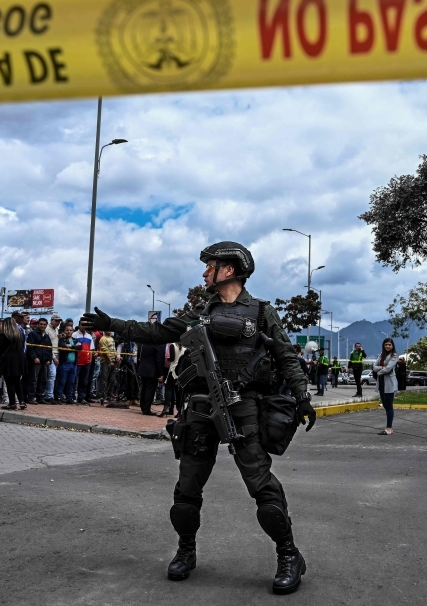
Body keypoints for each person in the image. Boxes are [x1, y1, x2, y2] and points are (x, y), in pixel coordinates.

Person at [82, 241, 316, 595]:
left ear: (229, 270)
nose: (205, 271)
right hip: (201, 407)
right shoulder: (200, 312)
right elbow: (157, 333)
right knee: (187, 487)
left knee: (261, 485)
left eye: (211, 266)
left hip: (244, 407)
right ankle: (186, 551)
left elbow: (285, 356)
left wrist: (302, 397)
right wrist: (112, 324)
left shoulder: (262, 313)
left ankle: (289, 555)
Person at [0, 312, 27, 410]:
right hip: (20, 359)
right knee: (17, 381)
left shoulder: (4, 335)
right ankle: (22, 401)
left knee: (9, 382)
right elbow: (22, 346)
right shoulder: (20, 334)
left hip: (8, 360)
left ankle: (12, 403)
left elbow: (0, 348)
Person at [374, 338, 398, 435]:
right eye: (386, 344)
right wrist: (382, 368)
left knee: (389, 406)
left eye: (389, 345)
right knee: (385, 405)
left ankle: (389, 428)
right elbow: (374, 366)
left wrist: (379, 371)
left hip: (389, 383)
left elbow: (388, 369)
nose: (387, 346)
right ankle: (389, 428)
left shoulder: (394, 355)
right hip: (381, 383)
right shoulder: (381, 355)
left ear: (392, 346)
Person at [26, 317, 52, 404]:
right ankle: (31, 397)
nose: (42, 326)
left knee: (43, 380)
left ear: (46, 325)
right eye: (41, 324)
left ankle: (40, 397)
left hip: (44, 361)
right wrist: (34, 358)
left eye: (44, 324)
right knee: (33, 380)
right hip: (35, 361)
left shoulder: (47, 336)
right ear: (38, 324)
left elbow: (49, 349)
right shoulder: (32, 334)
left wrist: (49, 359)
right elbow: (30, 348)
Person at [137, 341, 166, 415]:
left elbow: (138, 356)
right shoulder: (158, 343)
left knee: (144, 388)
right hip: (152, 369)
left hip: (143, 367)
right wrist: (161, 373)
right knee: (150, 390)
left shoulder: (142, 343)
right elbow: (159, 359)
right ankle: (146, 408)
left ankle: (143, 406)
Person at [56, 323, 81, 405]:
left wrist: (70, 346)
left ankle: (69, 398)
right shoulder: (62, 339)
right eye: (67, 330)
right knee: (62, 381)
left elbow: (80, 347)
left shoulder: (75, 340)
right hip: (64, 363)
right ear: (64, 331)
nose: (69, 332)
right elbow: (62, 348)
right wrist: (74, 347)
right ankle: (58, 397)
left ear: (73, 331)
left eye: (70, 330)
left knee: (71, 382)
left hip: (73, 364)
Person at [73, 318, 95, 404]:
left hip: (86, 362)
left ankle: (81, 397)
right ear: (79, 325)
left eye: (86, 325)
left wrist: (90, 360)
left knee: (84, 381)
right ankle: (72, 396)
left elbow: (91, 350)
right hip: (77, 361)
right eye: (82, 324)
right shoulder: (74, 335)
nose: (84, 326)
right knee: (74, 380)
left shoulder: (89, 336)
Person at [45, 314, 62, 402]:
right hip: (51, 354)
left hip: (57, 353)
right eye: (56, 321)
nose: (57, 322)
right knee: (52, 375)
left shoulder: (57, 330)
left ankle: (51, 395)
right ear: (51, 320)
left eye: (59, 321)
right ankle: (49, 396)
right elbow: (48, 345)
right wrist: (54, 357)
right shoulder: (47, 329)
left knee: (54, 376)